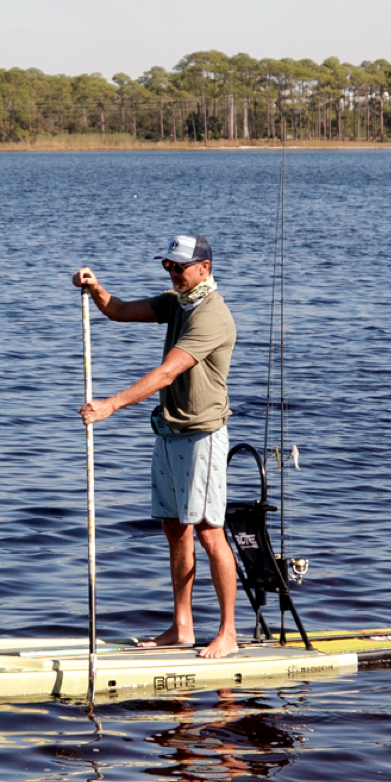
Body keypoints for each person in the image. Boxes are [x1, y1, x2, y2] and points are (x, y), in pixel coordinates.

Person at [73, 232, 239, 659]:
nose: (172, 273)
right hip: (170, 431)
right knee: (174, 528)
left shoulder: (211, 317)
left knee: (208, 531)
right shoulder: (177, 302)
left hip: (202, 434)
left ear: (204, 267)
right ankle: (182, 627)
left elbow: (166, 374)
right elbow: (120, 312)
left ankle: (228, 633)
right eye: (167, 265)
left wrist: (111, 405)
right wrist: (96, 289)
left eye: (179, 267)